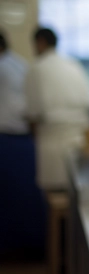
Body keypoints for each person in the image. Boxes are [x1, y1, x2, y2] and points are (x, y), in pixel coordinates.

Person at [25, 27, 89, 190]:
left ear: (40, 43)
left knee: (53, 192)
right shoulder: (73, 65)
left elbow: (32, 112)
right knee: (74, 190)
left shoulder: (37, 68)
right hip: (78, 136)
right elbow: (87, 101)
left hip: (51, 138)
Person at [0, 30, 46, 259]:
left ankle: (11, 250)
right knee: (25, 199)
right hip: (26, 140)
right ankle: (30, 248)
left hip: (7, 141)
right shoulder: (20, 63)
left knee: (8, 199)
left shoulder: (3, 67)